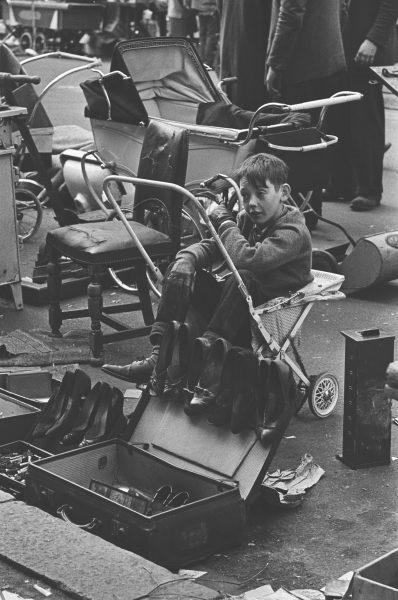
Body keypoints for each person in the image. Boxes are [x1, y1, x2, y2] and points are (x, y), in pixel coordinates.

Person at [102, 153, 313, 384]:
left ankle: (208, 358)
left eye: (261, 194)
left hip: (269, 317)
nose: (251, 203)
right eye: (245, 195)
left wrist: (225, 223)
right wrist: (187, 259)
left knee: (243, 277)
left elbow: (249, 259)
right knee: (182, 268)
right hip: (239, 309)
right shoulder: (248, 218)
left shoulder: (293, 231)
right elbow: (215, 246)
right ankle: (159, 355)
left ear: (283, 193)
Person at [265, 0, 351, 206]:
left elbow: (291, 14)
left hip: (302, 66)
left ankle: (301, 214)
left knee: (297, 143)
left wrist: (275, 64)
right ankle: (310, 210)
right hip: (329, 59)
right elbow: (343, 9)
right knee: (313, 141)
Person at [344, 0, 398, 212]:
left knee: (367, 119)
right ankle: (344, 185)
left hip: (369, 49)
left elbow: (391, 5)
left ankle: (369, 189)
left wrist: (373, 40)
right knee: (345, 115)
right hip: (347, 45)